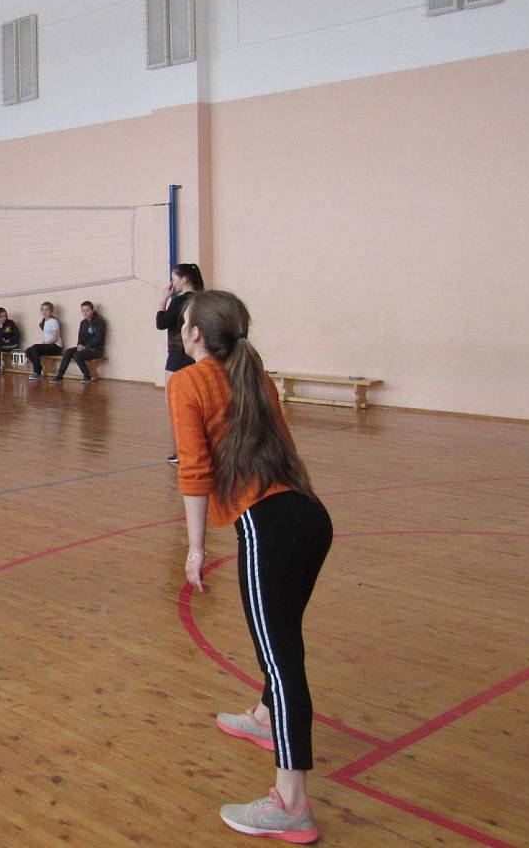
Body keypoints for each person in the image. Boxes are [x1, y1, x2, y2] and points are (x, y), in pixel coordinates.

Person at [170, 290, 332, 844]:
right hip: (310, 517)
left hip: (268, 527)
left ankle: (292, 804)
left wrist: (195, 550)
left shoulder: (188, 382)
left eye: (184, 321)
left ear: (194, 334)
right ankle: (265, 718)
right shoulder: (254, 375)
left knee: (282, 662)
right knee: (283, 641)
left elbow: (194, 470)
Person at [156, 263, 206, 463]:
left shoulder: (179, 301)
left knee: (174, 403)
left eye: (174, 278)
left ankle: (184, 450)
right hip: (199, 354)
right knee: (198, 402)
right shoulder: (203, 299)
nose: (172, 283)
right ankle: (201, 447)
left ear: (183, 279)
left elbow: (161, 323)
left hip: (178, 354)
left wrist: (163, 299)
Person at [50, 301, 106, 382]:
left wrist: (85, 347)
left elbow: (98, 338)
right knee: (68, 351)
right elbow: (80, 337)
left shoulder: (99, 322)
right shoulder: (83, 323)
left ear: (92, 310)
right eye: (83, 311)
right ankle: (59, 376)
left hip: (95, 350)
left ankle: (87, 376)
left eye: (87, 310)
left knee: (77, 355)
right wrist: (79, 344)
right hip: (84, 348)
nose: (85, 313)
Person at [24, 301, 62, 380]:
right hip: (49, 345)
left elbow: (55, 338)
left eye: (47, 310)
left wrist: (45, 344)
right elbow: (46, 337)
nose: (44, 312)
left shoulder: (54, 321)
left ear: (51, 311)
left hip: (56, 346)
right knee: (29, 350)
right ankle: (39, 368)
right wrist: (43, 344)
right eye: (42, 310)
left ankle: (37, 372)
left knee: (35, 347)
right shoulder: (44, 322)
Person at [0, 307, 21, 375]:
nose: (4, 318)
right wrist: (1, 327)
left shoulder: (10, 323)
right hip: (3, 345)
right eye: (1, 317)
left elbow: (17, 335)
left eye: (5, 316)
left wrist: (8, 340)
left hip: (13, 344)